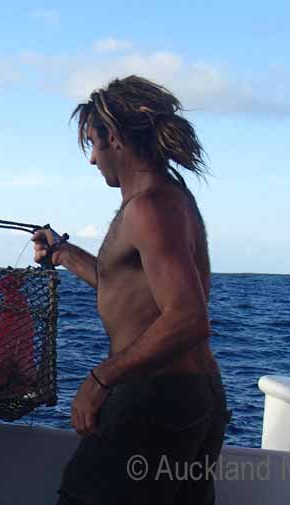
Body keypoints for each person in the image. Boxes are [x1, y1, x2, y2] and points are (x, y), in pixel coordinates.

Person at [33, 76, 228, 505]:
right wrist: (63, 254)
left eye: (92, 143)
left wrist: (101, 378)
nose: (92, 160)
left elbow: (188, 318)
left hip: (156, 400)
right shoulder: (167, 199)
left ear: (114, 138)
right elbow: (127, 285)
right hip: (190, 399)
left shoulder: (149, 207)